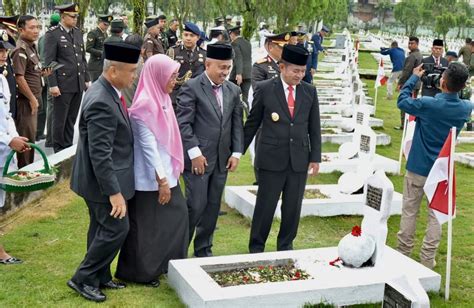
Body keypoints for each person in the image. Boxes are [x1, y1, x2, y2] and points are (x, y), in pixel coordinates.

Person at [68, 42, 141, 302]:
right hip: (101, 182)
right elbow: (100, 154)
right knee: (116, 229)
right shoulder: (101, 99)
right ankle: (82, 278)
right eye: (131, 71)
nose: (134, 76)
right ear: (113, 71)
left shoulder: (107, 90)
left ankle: (100, 275)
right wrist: (114, 193)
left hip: (97, 179)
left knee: (100, 228)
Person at [116, 54, 188, 287]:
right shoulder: (144, 105)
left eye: (176, 76)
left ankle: (165, 265)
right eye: (171, 76)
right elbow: (149, 148)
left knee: (174, 220)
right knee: (146, 229)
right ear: (158, 75)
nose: (174, 81)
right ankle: (139, 273)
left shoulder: (163, 98)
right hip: (150, 178)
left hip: (167, 173)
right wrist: (162, 181)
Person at [243, 44, 321, 253]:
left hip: (298, 160)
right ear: (282, 67)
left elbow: (314, 127)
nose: (300, 75)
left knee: (292, 208)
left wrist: (315, 157)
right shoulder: (266, 89)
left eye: (302, 71)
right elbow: (252, 123)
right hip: (271, 159)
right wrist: (236, 152)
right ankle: (256, 247)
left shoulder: (309, 91)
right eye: (295, 70)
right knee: (265, 207)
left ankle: (285, 245)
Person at [396, 62, 472, 269]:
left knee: (410, 210)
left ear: (443, 82)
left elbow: (402, 101)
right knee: (435, 216)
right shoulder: (466, 107)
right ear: (463, 86)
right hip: (442, 170)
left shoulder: (428, 104)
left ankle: (403, 252)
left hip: (419, 166)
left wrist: (414, 78)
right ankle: (427, 258)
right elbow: (461, 100)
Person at [176, 43, 244, 257]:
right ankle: (178, 251)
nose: (225, 72)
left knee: (213, 205)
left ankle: (204, 248)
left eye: (228, 67)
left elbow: (236, 123)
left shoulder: (233, 90)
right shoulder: (192, 87)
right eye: (221, 67)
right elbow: (183, 123)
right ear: (208, 64)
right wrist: (194, 153)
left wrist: (236, 152)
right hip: (199, 159)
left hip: (222, 159)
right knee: (195, 206)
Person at [44, 3, 91, 153]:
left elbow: (82, 58)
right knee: (60, 120)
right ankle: (58, 150)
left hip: (77, 83)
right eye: (72, 16)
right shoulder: (53, 34)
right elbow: (49, 61)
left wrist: (86, 78)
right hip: (62, 84)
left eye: (77, 16)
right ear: (63, 17)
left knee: (71, 119)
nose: (75, 19)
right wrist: (52, 84)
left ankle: (67, 148)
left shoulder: (77, 33)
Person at [0, 33, 30, 265]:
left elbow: (7, 114)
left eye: (4, 50)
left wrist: (13, 136)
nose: (3, 54)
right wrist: (8, 140)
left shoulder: (2, 79)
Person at [11, 15, 52, 168]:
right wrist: (32, 99)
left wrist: (42, 73)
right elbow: (19, 77)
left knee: (31, 138)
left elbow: (30, 72)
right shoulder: (19, 49)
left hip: (33, 99)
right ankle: (25, 173)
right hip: (25, 102)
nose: (36, 31)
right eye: (32, 28)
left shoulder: (31, 46)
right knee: (26, 140)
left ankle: (28, 170)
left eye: (38, 27)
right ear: (21, 30)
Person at [251, 32, 289, 185]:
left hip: (285, 116)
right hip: (267, 115)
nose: (284, 50)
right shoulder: (261, 66)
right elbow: (259, 91)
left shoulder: (286, 65)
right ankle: (260, 179)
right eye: (281, 47)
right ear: (271, 46)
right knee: (263, 147)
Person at [167, 22, 206, 108]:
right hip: (176, 97)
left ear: (198, 37)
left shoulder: (204, 55)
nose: (188, 38)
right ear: (182, 35)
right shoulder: (173, 52)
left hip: (197, 97)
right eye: (186, 35)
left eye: (192, 35)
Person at [38, 13, 60, 143]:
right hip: (51, 73)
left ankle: (39, 132)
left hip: (42, 73)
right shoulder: (55, 36)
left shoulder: (42, 37)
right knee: (52, 105)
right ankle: (51, 137)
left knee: (44, 104)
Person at [397, 36, 423, 130]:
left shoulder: (412, 56)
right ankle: (409, 124)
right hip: (416, 83)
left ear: (417, 44)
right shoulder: (420, 54)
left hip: (410, 83)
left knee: (404, 103)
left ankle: (404, 125)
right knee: (412, 104)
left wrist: (400, 83)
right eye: (409, 43)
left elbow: (407, 71)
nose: (410, 45)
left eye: (412, 43)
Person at [229, 26, 252, 112]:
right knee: (245, 98)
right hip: (248, 74)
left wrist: (239, 73)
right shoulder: (247, 43)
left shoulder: (234, 43)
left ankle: (234, 116)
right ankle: (247, 116)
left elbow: (238, 58)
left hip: (237, 75)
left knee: (232, 97)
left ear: (232, 34)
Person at [86, 14, 111, 82]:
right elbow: (88, 48)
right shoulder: (93, 33)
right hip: (95, 65)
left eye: (108, 25)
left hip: (102, 64)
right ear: (99, 22)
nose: (106, 27)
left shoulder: (105, 34)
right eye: (105, 24)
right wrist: (101, 53)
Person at [121, 34, 144, 107]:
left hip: (119, 108)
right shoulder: (141, 67)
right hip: (133, 109)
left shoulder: (118, 63)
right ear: (142, 49)